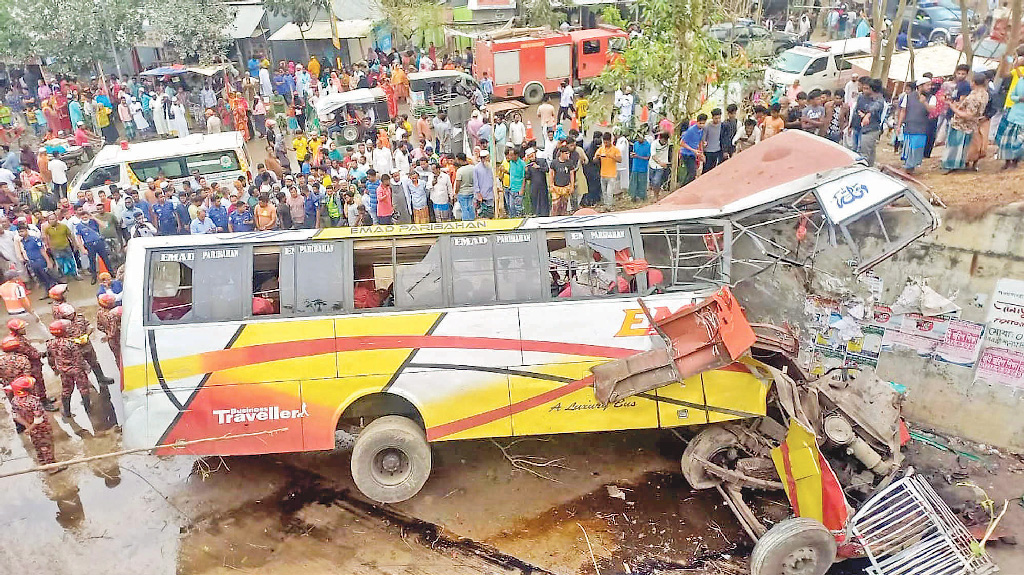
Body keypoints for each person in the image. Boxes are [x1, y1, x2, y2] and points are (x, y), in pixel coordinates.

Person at [942, 73, 989, 172]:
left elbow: (968, 115)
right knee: (963, 146)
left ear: (973, 82)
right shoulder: (984, 94)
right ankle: (960, 164)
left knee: (955, 147)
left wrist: (953, 108)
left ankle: (951, 166)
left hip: (962, 125)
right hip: (972, 124)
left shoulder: (974, 97)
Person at [7, 376, 57, 467]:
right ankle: (51, 467)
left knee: (37, 444)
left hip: (30, 427)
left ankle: (42, 462)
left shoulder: (15, 400)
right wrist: (30, 428)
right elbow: (38, 419)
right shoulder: (33, 401)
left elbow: (15, 415)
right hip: (42, 427)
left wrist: (27, 425)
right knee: (47, 445)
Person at [46, 319, 92, 417]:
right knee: (83, 389)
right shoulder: (71, 343)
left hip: (63, 370)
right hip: (77, 370)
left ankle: (67, 412)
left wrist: (54, 368)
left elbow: (50, 358)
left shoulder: (50, 343)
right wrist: (86, 367)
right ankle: (88, 409)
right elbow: (78, 358)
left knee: (66, 390)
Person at [6, 319, 52, 409]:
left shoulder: (18, 337)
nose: (25, 329)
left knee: (39, 382)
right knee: (37, 383)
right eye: (22, 328)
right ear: (16, 330)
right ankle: (43, 402)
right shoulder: (18, 342)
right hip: (31, 366)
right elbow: (32, 354)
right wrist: (43, 354)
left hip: (32, 364)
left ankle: (44, 399)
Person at [898, 79, 935, 174]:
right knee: (907, 148)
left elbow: (932, 111)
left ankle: (909, 167)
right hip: (909, 126)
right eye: (927, 85)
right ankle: (908, 167)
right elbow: (903, 111)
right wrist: (898, 125)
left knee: (916, 148)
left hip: (921, 128)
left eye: (930, 85)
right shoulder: (908, 96)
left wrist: (924, 103)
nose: (930, 87)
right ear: (920, 86)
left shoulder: (932, 98)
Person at [996, 53, 1024, 170]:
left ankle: (1015, 161)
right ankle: (1008, 161)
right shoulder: (1020, 79)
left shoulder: (1020, 72)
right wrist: (1005, 61)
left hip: (1020, 116)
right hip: (1013, 111)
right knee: (1006, 138)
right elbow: (1004, 74)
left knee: (1018, 140)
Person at [74, 211, 111, 284]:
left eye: (85, 215)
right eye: (82, 216)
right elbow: (78, 238)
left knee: (105, 259)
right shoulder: (79, 226)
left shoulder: (93, 222)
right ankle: (94, 277)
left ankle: (111, 273)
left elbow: (104, 225)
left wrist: (94, 218)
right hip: (89, 245)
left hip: (99, 242)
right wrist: (82, 249)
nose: (84, 217)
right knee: (92, 261)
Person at [18, 223, 57, 290]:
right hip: (32, 262)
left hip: (40, 261)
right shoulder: (23, 241)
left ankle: (55, 292)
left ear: (26, 230)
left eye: (22, 231)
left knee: (48, 277)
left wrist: (48, 262)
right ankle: (47, 291)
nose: (21, 233)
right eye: (19, 232)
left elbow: (42, 251)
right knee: (40, 278)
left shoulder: (35, 239)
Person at [855, 78, 885, 166]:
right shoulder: (863, 97)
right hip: (862, 128)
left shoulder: (879, 100)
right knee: (870, 152)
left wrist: (866, 115)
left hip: (871, 129)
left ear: (872, 89)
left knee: (864, 153)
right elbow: (857, 109)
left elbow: (873, 108)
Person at [594, 133, 621, 207]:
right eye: (604, 142)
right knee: (604, 192)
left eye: (607, 142)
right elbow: (594, 160)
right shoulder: (601, 149)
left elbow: (620, 160)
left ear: (610, 141)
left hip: (611, 174)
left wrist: (612, 156)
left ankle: (609, 206)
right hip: (603, 174)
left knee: (609, 192)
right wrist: (597, 157)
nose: (605, 144)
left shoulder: (615, 149)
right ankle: (606, 205)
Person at [95, 293, 121, 368]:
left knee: (117, 357)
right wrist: (109, 335)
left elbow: (99, 326)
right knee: (123, 356)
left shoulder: (99, 313)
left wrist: (106, 332)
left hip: (111, 341)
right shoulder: (112, 315)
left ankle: (121, 372)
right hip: (118, 338)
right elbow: (114, 329)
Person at [680, 114, 707, 185]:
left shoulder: (701, 131)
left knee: (691, 173)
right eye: (700, 123)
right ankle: (683, 188)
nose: (701, 125)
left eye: (703, 123)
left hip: (693, 154)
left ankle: (683, 187)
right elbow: (682, 143)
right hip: (686, 154)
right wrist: (693, 150)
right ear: (697, 122)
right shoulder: (691, 131)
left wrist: (701, 153)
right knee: (692, 173)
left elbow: (700, 142)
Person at [629, 133, 651, 201]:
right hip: (635, 167)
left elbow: (648, 157)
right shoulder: (635, 144)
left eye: (639, 138)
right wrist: (632, 155)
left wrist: (638, 157)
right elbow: (634, 152)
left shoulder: (648, 145)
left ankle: (643, 197)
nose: (638, 139)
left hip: (643, 168)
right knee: (633, 183)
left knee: (642, 184)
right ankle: (633, 197)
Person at [454, 154, 476, 221]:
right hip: (472, 191)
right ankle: (472, 221)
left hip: (462, 192)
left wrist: (456, 192)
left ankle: (466, 223)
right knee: (471, 207)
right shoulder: (473, 168)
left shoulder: (460, 171)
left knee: (464, 209)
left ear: (460, 160)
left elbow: (458, 183)